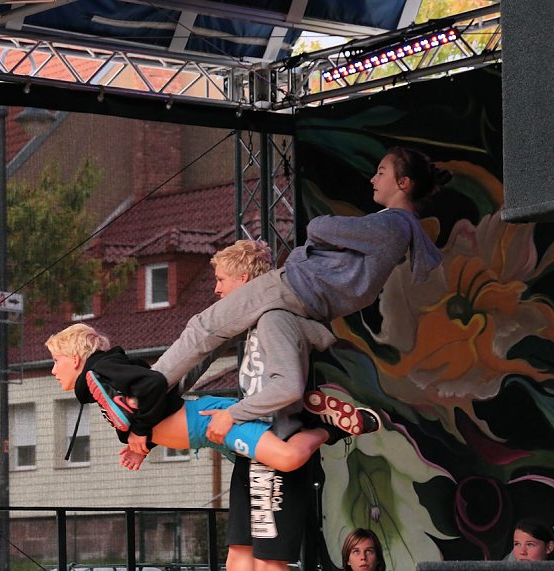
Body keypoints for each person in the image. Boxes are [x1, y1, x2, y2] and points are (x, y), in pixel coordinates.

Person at [151, 147, 452, 389]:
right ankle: (161, 394)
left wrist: (326, 239)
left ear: (403, 183)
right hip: (310, 301)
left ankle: (144, 391)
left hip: (294, 286)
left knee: (204, 326)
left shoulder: (392, 225)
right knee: (223, 334)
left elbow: (319, 227)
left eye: (381, 172)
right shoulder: (397, 228)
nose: (373, 178)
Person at [199, 239, 380, 571]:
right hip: (252, 446)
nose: (216, 289)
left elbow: (287, 386)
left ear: (243, 280)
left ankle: (327, 426)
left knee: (269, 561)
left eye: (221, 279)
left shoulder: (275, 319)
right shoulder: (252, 324)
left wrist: (231, 414)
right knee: (239, 553)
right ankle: (326, 425)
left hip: (277, 441)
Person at [44, 323, 378, 473]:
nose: (53, 370)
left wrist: (142, 432)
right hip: (205, 434)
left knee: (288, 458)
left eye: (56, 361)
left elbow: (154, 386)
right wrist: (145, 445)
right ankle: (306, 415)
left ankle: (328, 428)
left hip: (209, 422)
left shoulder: (100, 372)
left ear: (75, 357)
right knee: (268, 468)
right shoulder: (101, 377)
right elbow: (151, 407)